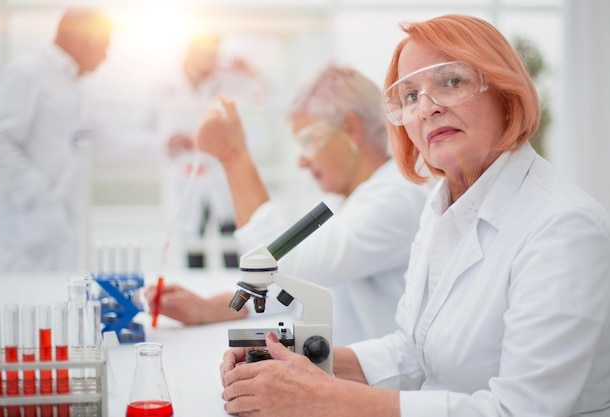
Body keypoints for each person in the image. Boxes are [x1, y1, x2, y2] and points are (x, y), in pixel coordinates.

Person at [218, 14, 610, 416]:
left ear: (506, 93)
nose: (426, 108)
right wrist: (288, 360)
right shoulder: (443, 206)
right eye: (409, 96)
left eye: (451, 82)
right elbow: (412, 353)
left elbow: (520, 411)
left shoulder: (563, 227)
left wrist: (319, 397)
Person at [145, 65, 428, 345]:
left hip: (369, 382)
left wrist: (234, 156)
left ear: (350, 129)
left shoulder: (397, 199)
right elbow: (286, 289)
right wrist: (206, 309)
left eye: (308, 141)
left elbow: (286, 267)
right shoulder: (341, 200)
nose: (302, 161)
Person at [0, 8, 111, 271]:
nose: (105, 56)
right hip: (29, 228)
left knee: (62, 301)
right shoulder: (27, 72)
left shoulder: (72, 84)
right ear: (83, 38)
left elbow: (100, 138)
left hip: (61, 227)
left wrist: (168, 143)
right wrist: (40, 199)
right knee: (27, 304)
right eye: (104, 45)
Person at [147, 33, 266, 268]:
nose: (210, 60)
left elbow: (267, 97)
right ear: (190, 52)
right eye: (205, 53)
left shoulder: (229, 79)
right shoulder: (164, 82)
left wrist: (252, 72)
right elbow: (147, 127)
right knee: (192, 238)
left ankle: (233, 293)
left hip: (218, 168)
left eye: (214, 54)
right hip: (184, 167)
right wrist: (169, 139)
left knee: (231, 236)